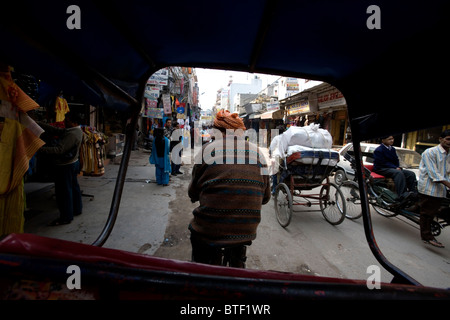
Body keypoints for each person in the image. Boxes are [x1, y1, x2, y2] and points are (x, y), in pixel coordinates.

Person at [188, 110, 271, 268]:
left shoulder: (207, 150)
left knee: (200, 259)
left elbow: (192, 192)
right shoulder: (259, 154)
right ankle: (238, 263)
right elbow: (266, 198)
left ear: (217, 131)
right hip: (246, 230)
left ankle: (201, 272)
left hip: (209, 229)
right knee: (238, 253)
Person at [38, 112, 83, 226]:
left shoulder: (73, 133)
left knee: (64, 192)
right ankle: (77, 209)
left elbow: (59, 150)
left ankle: (66, 217)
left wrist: (39, 149)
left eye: (67, 120)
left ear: (74, 122)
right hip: (73, 163)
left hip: (66, 166)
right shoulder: (74, 130)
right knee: (73, 188)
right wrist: (39, 124)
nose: (65, 122)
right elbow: (57, 131)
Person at [417, 129, 450, 248]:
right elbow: (434, 174)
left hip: (441, 189)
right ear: (441, 139)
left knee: (434, 212)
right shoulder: (430, 152)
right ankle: (427, 237)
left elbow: (447, 173)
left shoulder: (448, 154)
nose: (449, 142)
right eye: (448, 139)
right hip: (429, 187)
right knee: (427, 213)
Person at [373, 135, 417, 201]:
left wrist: (397, 166)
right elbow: (382, 162)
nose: (392, 140)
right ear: (383, 140)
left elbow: (396, 160)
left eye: (392, 139)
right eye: (389, 139)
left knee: (410, 173)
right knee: (398, 173)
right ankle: (402, 194)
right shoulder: (379, 150)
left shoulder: (392, 149)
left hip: (392, 168)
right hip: (381, 168)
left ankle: (413, 193)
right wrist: (394, 167)